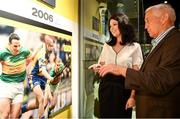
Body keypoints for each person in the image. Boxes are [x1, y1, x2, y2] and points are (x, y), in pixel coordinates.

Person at [98, 3, 180, 118]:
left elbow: (159, 80)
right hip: (106, 89)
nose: (145, 26)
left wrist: (122, 71)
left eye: (147, 21)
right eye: (110, 26)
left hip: (128, 93)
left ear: (164, 18)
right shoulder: (160, 43)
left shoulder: (174, 42)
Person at [89, 13, 143, 118]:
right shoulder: (107, 46)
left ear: (123, 25)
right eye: (110, 26)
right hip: (106, 87)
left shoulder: (135, 47)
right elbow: (101, 65)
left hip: (124, 89)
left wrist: (132, 96)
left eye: (115, 24)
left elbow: (137, 75)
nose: (111, 28)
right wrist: (97, 67)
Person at [0, 33, 35, 118]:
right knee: (4, 115)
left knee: (15, 116)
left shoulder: (24, 51)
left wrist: (31, 71)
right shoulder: (3, 53)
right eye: (15, 46)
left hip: (19, 86)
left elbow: (32, 58)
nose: (18, 48)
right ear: (9, 44)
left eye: (19, 45)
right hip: (6, 86)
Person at [21, 34, 55, 118]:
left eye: (53, 46)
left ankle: (22, 109)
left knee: (37, 104)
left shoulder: (44, 48)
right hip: (34, 76)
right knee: (41, 99)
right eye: (51, 46)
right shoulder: (42, 53)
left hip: (42, 78)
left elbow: (33, 57)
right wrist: (50, 77)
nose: (52, 48)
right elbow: (42, 70)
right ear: (47, 45)